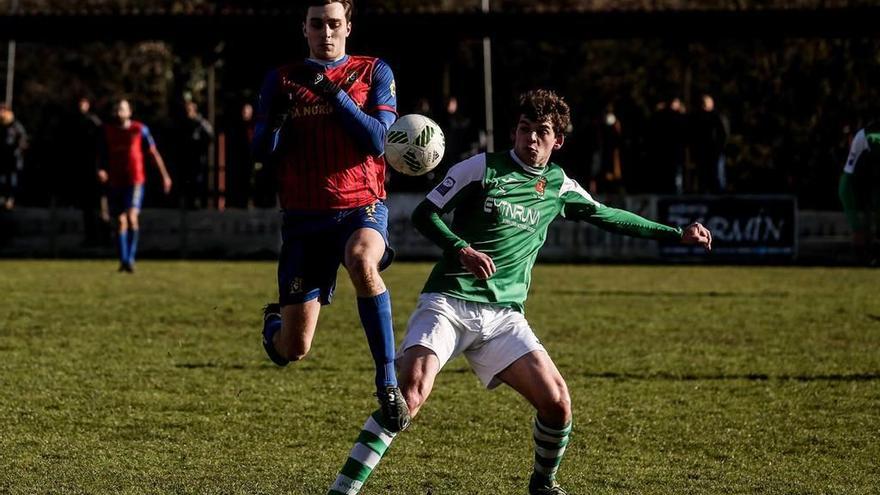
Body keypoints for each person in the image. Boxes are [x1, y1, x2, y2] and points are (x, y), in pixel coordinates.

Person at [326, 90, 713, 495]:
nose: (530, 139)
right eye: (524, 129)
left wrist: (674, 233)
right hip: (449, 302)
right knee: (410, 394)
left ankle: (543, 483)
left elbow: (606, 215)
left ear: (557, 141)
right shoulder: (481, 168)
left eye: (541, 132)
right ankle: (343, 490)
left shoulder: (559, 186)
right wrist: (461, 248)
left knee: (558, 404)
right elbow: (426, 214)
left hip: (504, 317)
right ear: (514, 131)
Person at [253, 0, 410, 431]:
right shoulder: (281, 78)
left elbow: (378, 141)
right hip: (304, 221)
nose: (326, 32)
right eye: (317, 24)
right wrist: (276, 125)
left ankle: (388, 383)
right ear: (303, 28)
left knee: (363, 260)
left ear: (348, 27)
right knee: (294, 348)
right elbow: (259, 151)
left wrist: (333, 93)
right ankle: (274, 325)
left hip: (362, 207)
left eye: (334, 23)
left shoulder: (373, 71)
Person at [97, 98, 173, 273]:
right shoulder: (108, 131)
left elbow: (154, 154)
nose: (119, 112)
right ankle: (124, 260)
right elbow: (101, 155)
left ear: (129, 112)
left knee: (131, 217)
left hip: (135, 180)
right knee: (120, 221)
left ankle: (130, 259)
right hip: (116, 181)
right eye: (117, 109)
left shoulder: (139, 130)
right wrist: (101, 170)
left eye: (122, 109)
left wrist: (165, 175)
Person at [67, 97, 108, 245]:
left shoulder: (94, 123)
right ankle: (91, 237)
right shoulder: (75, 123)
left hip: (95, 171)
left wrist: (101, 168)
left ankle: (104, 237)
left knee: (101, 206)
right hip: (85, 171)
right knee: (88, 207)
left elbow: (100, 149)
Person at [839, 122, 880, 265]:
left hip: (870, 183)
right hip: (855, 185)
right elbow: (849, 178)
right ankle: (862, 260)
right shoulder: (863, 137)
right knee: (860, 227)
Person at [178, 100, 215, 209]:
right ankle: (186, 201)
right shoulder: (183, 123)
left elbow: (210, 135)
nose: (188, 112)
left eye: (189, 110)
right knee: (186, 180)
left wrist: (201, 145)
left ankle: (197, 201)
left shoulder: (200, 123)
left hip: (197, 157)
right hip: (186, 157)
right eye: (186, 110)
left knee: (197, 180)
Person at [690, 94, 728, 194]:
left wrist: (719, 148)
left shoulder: (717, 117)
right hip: (702, 152)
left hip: (715, 152)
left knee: (717, 176)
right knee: (702, 177)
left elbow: (723, 135)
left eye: (705, 103)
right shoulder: (697, 118)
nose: (703, 105)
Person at [0, 104, 28, 210]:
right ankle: (3, 199)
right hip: (3, 158)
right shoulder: (2, 125)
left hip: (13, 158)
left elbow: (23, 139)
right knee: (2, 179)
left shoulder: (15, 125)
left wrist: (18, 150)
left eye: (3, 111)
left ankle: (11, 200)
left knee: (12, 179)